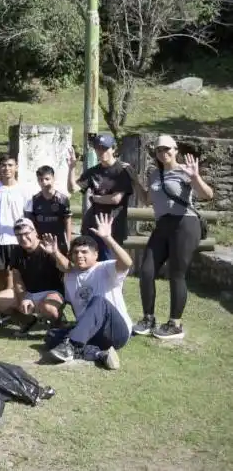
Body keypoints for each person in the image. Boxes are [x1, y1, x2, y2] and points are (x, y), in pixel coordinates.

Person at [130, 135, 213, 340]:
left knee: (177, 273)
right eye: (159, 150)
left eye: (167, 149)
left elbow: (207, 195)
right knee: (147, 270)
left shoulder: (185, 171)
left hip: (185, 223)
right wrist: (134, 180)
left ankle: (175, 323)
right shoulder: (155, 174)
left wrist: (195, 177)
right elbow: (147, 199)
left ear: (176, 150)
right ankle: (148, 318)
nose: (163, 153)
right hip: (163, 225)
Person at [46, 213, 132, 370]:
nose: (79, 255)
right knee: (52, 336)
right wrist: (55, 252)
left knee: (98, 301)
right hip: (91, 334)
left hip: (116, 332)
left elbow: (127, 262)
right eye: (76, 252)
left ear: (96, 254)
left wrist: (108, 238)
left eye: (85, 252)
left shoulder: (106, 268)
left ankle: (71, 345)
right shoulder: (69, 277)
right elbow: (64, 266)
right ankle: (99, 355)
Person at [0, 218, 68, 329]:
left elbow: (67, 268)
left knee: (48, 307)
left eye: (26, 233)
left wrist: (55, 253)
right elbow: (17, 279)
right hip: (29, 292)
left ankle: (59, 326)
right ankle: (29, 321)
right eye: (18, 235)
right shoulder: (16, 251)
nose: (23, 238)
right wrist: (23, 298)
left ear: (35, 232)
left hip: (52, 292)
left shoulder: (48, 246)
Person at [67, 134, 135, 262]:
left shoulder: (122, 170)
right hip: (92, 226)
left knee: (109, 267)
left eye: (105, 148)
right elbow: (73, 189)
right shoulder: (93, 171)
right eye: (98, 148)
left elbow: (116, 199)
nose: (101, 151)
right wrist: (71, 168)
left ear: (113, 149)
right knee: (90, 267)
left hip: (112, 228)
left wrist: (95, 198)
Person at [0, 155, 38, 289]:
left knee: (14, 273)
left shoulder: (25, 189)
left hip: (17, 239)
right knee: (0, 274)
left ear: (16, 167)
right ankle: (1, 305)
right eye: (3, 165)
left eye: (10, 165)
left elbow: (28, 217)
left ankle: (13, 303)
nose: (6, 168)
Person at [25, 165, 72, 255]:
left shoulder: (63, 199)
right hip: (41, 242)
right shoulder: (34, 199)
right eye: (40, 180)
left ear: (53, 178)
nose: (44, 182)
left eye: (47, 179)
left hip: (58, 242)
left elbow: (68, 222)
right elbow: (32, 223)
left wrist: (68, 243)